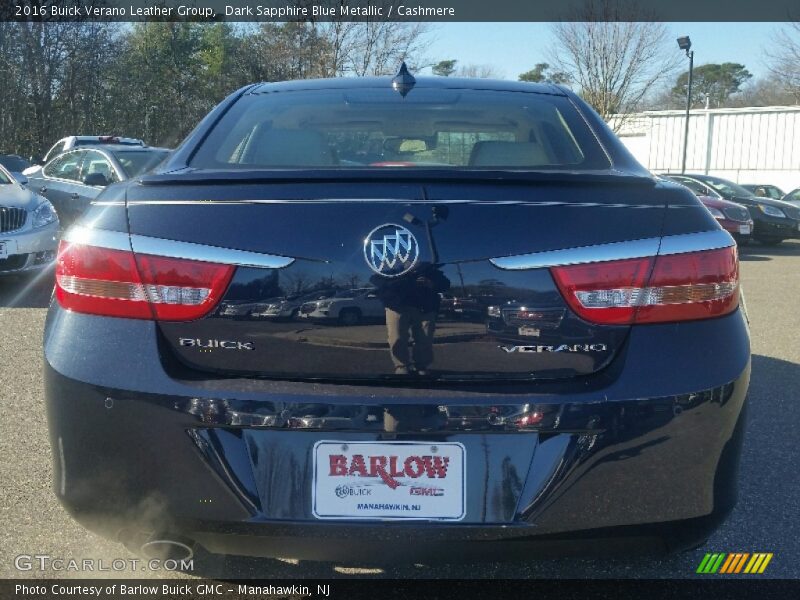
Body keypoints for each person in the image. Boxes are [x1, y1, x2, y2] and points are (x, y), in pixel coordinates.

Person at [370, 262, 450, 375]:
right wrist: (405, 279)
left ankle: (421, 365)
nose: (411, 261)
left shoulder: (429, 269)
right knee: (396, 337)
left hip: (425, 306)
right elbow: (376, 279)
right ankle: (401, 366)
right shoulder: (394, 270)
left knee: (425, 337)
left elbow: (445, 284)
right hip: (397, 305)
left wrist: (431, 283)